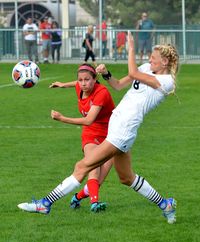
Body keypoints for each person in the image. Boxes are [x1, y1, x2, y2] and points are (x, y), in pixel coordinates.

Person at [17, 32, 179, 224]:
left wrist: (132, 49)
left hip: (124, 130)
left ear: (165, 62)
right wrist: (106, 74)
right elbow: (118, 85)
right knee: (127, 178)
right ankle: (165, 204)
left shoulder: (168, 82)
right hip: (117, 126)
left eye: (153, 59)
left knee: (82, 166)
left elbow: (134, 73)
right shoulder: (145, 68)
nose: (149, 61)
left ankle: (45, 204)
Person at [49, 63, 115, 212]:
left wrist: (62, 118)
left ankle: (77, 198)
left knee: (98, 181)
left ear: (95, 79)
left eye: (87, 80)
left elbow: (88, 119)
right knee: (94, 165)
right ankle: (95, 204)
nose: (83, 83)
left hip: (112, 133)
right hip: (91, 133)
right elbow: (89, 124)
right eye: (80, 80)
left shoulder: (101, 93)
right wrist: (63, 84)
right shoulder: (80, 87)